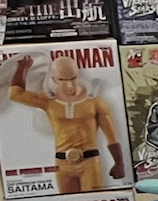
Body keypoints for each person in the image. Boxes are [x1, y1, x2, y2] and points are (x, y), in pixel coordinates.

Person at [8, 51, 122, 192]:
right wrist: (22, 68)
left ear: (78, 75)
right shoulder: (48, 101)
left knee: (93, 198)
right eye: (62, 79)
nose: (69, 86)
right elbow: (15, 94)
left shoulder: (95, 102)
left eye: (73, 78)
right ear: (54, 79)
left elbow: (111, 136)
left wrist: (119, 163)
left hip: (89, 161)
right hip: (62, 162)